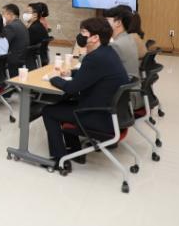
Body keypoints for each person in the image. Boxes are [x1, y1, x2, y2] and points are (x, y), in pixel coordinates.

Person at [42, 17, 129, 169]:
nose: (80, 35)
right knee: (64, 103)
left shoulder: (94, 58)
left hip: (99, 117)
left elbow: (71, 88)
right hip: (112, 114)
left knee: (49, 111)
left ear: (95, 38)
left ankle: (59, 160)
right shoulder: (107, 51)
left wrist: (54, 78)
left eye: (83, 32)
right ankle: (76, 152)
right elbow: (92, 74)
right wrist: (72, 72)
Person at [2, 3, 29, 77]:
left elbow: (2, 44)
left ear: (10, 14)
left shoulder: (11, 27)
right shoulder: (21, 24)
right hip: (21, 59)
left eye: (3, 13)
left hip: (12, 62)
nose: (2, 16)